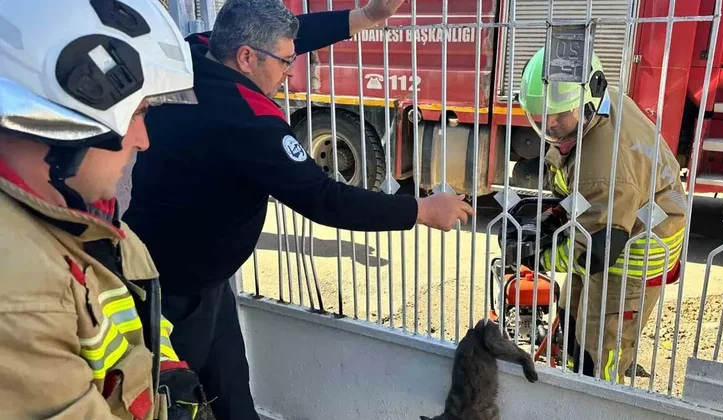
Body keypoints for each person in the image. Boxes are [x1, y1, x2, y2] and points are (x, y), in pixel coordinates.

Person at [120, 0, 475, 419]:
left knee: (233, 397)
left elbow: (295, 33)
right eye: (286, 63)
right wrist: (419, 210)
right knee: (176, 403)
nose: (291, 72)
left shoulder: (197, 51)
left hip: (203, 281)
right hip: (174, 294)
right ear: (248, 57)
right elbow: (325, 199)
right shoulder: (247, 122)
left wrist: (368, 16)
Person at [0, 1, 208, 418]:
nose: (143, 140)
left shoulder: (91, 225)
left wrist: (166, 372)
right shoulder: (21, 293)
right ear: (64, 119)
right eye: (138, 113)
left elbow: (135, 325)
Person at [517, 47, 687, 382]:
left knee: (601, 350)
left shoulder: (604, 169)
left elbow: (594, 252)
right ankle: (573, 376)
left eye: (559, 116)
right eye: (542, 117)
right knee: (571, 318)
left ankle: (601, 397)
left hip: (630, 259)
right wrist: (555, 215)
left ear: (587, 103)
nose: (550, 125)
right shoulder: (601, 102)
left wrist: (535, 257)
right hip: (612, 229)